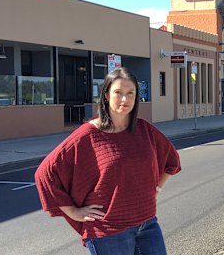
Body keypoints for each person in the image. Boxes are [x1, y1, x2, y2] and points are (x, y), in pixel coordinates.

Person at [35, 67, 181, 255]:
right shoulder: (88, 135)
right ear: (106, 95)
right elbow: (45, 173)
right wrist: (73, 212)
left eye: (131, 93)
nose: (124, 99)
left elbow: (172, 160)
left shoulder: (144, 129)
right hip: (109, 232)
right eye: (118, 93)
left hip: (148, 224)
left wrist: (157, 189)